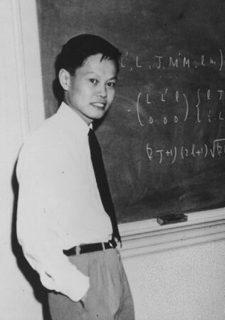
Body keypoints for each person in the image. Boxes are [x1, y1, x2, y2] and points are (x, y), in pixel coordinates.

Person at [16, 34, 135, 320]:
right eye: (93, 81)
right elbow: (32, 236)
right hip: (80, 275)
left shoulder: (85, 138)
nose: (103, 93)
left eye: (110, 84)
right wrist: (81, 288)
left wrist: (112, 268)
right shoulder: (45, 142)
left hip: (111, 265)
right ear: (66, 80)